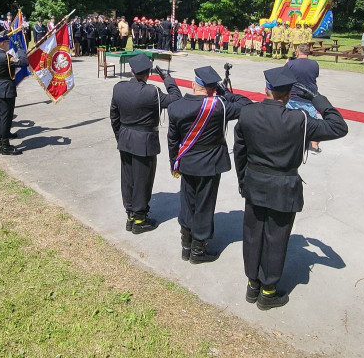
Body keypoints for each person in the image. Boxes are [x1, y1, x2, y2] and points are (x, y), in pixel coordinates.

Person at [234, 67, 349, 310]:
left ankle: (252, 284)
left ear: (266, 89)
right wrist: (317, 99)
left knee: (253, 234)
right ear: (288, 95)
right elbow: (339, 126)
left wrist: (243, 181)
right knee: (276, 238)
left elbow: (240, 152)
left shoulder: (247, 114)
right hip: (283, 186)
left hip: (255, 181)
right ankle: (268, 291)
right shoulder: (299, 119)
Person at [168, 66, 252, 263]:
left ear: (193, 85)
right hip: (211, 162)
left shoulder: (176, 107)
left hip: (187, 161)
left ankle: (186, 245)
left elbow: (172, 140)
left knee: (187, 202)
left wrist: (175, 163)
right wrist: (226, 93)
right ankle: (198, 250)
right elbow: (246, 104)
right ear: (213, 89)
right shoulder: (220, 106)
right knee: (205, 205)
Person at [109, 54, 182, 234]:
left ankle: (130, 215)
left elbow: (114, 117)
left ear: (131, 71)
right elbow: (176, 98)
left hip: (125, 139)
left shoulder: (118, 88)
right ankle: (140, 219)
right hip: (145, 142)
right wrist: (167, 78)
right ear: (148, 73)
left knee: (128, 179)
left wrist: (121, 136)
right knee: (143, 180)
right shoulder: (152, 92)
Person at [0, 32, 29, 155]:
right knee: (6, 117)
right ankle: (5, 146)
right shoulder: (6, 57)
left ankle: (0, 140)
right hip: (6, 89)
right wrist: (20, 49)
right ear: (1, 43)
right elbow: (23, 63)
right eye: (6, 43)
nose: (8, 45)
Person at [284, 43, 323, 154]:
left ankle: (288, 141)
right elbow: (315, 76)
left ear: (298, 52)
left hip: (294, 95)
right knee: (313, 120)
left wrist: (287, 63)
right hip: (309, 96)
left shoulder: (291, 64)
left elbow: (284, 75)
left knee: (288, 118)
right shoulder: (315, 64)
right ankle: (314, 144)